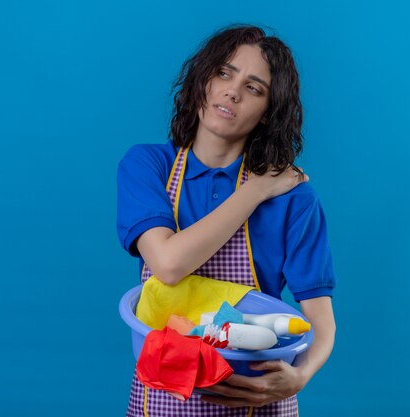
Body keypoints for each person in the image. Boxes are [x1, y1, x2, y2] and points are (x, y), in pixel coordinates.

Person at [117, 24, 337, 417]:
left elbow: (320, 320)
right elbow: (168, 265)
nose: (232, 91)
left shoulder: (294, 199)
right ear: (202, 78)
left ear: (268, 114)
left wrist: (300, 376)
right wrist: (255, 190)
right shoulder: (148, 166)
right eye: (224, 72)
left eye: (254, 88)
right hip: (166, 397)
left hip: (256, 399)